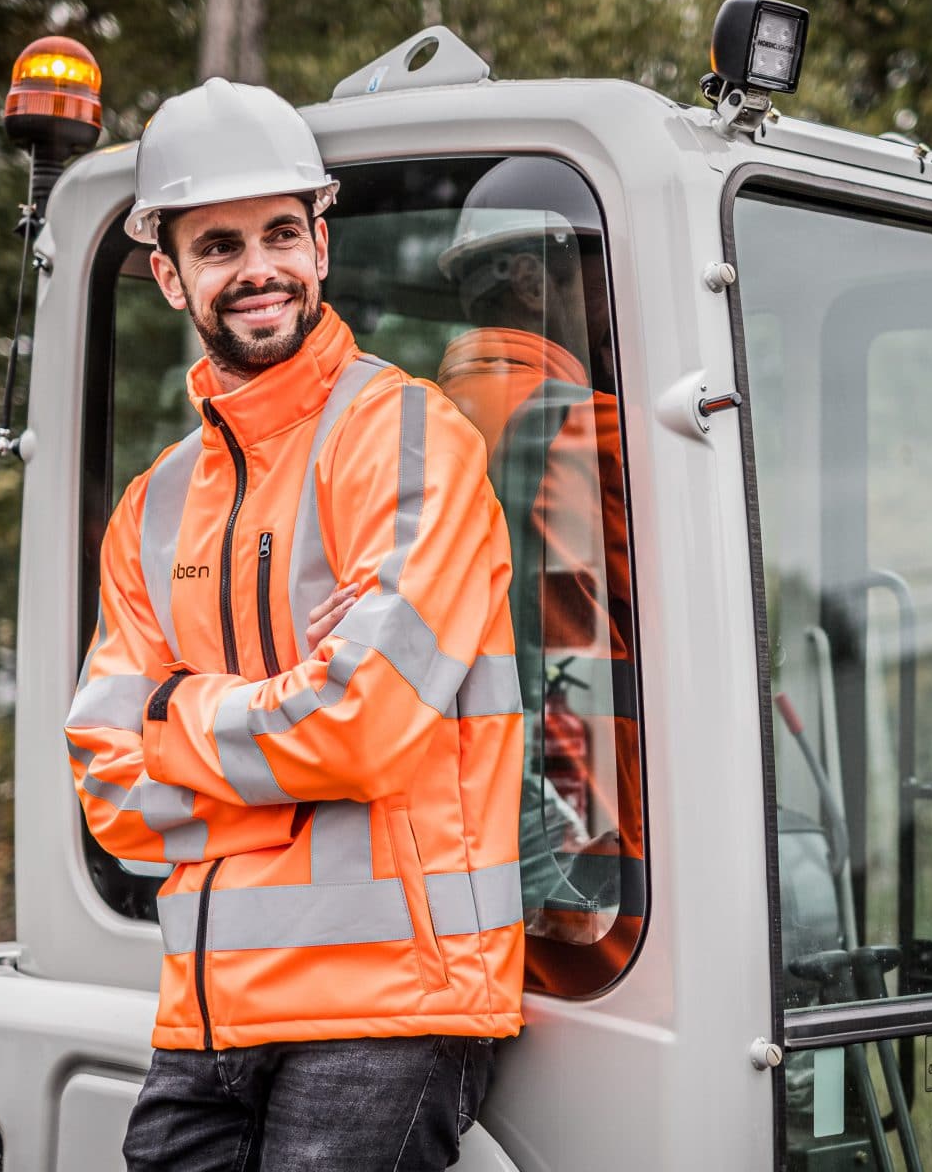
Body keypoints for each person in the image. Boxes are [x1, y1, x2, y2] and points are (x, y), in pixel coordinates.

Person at [64, 78, 524, 1172]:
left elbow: (360, 723)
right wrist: (291, 721)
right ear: (171, 274)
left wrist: (179, 707)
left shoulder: (410, 436)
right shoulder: (153, 506)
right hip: (207, 1021)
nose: (257, 267)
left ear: (321, 245)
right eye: (219, 245)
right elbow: (110, 790)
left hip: (390, 1007)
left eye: (280, 232)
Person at [435, 158, 641, 973]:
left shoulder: (418, 432)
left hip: (474, 881)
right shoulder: (596, 434)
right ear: (531, 277)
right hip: (598, 887)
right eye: (600, 277)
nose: (614, 308)